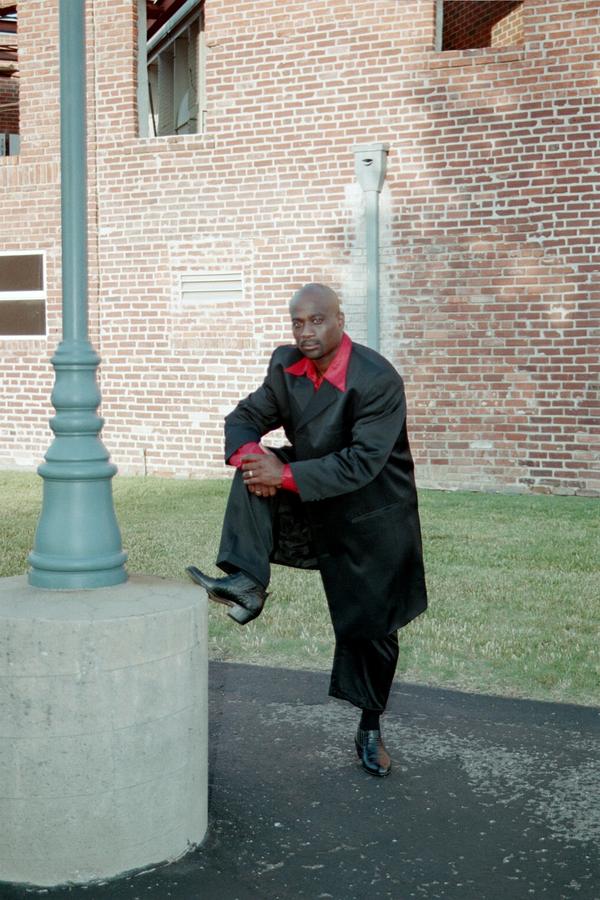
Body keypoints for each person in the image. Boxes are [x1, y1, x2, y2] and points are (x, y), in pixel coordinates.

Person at [187, 283, 427, 777]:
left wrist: (284, 474)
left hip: (373, 514)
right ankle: (247, 582)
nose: (305, 332)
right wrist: (255, 460)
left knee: (372, 632)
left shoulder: (378, 379)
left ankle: (370, 726)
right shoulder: (286, 366)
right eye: (297, 322)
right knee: (252, 465)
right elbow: (245, 417)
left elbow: (362, 462)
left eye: (316, 320)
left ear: (340, 320)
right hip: (312, 498)